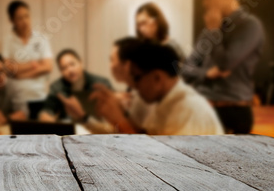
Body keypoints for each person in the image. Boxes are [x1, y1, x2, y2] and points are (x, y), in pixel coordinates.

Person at [182, 0, 265, 134]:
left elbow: (225, 63)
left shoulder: (249, 26)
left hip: (232, 110)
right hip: (201, 107)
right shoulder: (209, 30)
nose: (205, 3)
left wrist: (214, 31)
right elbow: (186, 69)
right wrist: (206, 73)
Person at [93, 41, 224, 135]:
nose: (136, 87)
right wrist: (118, 115)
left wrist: (120, 120)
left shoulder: (187, 108)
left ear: (157, 78)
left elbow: (159, 162)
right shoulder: (165, 102)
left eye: (137, 78)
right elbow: (147, 136)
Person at [38, 49, 114, 133]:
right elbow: (47, 111)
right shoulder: (57, 87)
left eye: (72, 64)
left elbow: (114, 117)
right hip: (69, 132)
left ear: (81, 62)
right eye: (64, 68)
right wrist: (46, 116)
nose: (70, 70)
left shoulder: (101, 84)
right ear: (61, 72)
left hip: (97, 131)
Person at [2, 0, 53, 116]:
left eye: (27, 16)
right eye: (20, 18)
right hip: (16, 97)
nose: (25, 21)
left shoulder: (41, 39)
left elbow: (48, 67)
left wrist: (19, 74)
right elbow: (8, 68)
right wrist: (33, 64)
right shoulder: (7, 40)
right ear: (12, 20)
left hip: (39, 95)